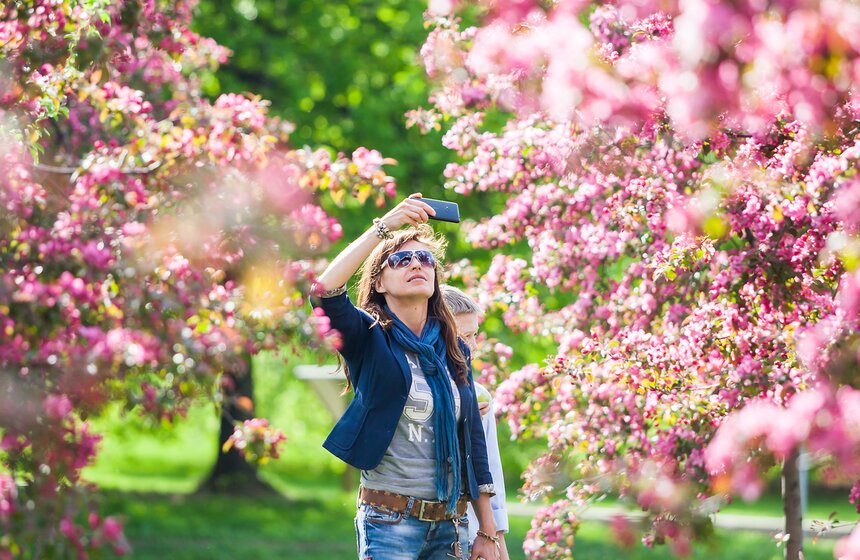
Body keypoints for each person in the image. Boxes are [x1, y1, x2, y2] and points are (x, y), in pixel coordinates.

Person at [311, 194, 501, 560]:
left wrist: (487, 532)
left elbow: (472, 443)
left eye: (425, 258)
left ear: (434, 276)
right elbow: (324, 293)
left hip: (452, 524)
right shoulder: (369, 338)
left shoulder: (453, 348)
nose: (416, 263)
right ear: (379, 282)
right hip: (389, 522)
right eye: (400, 259)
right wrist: (384, 228)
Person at [440, 286, 510, 560]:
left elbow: (490, 469)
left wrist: (497, 541)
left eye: (475, 335)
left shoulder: (480, 397)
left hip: (472, 534)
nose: (474, 347)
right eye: (464, 337)